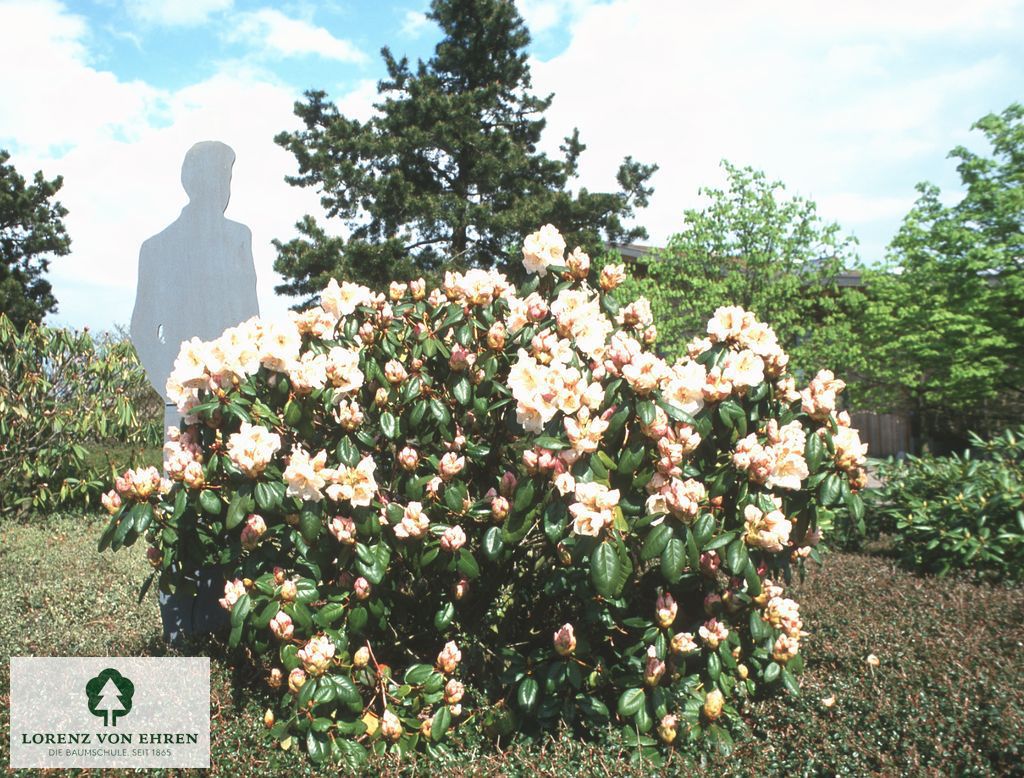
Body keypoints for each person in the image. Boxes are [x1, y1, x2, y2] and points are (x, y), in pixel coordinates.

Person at [129, 141, 259, 643]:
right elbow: (144, 328)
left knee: (229, 506)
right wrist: (176, 385)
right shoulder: (157, 247)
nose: (226, 188)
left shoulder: (238, 238)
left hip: (232, 399)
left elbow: (251, 320)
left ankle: (216, 623)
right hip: (189, 400)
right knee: (182, 505)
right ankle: (181, 631)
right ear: (200, 181)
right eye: (223, 176)